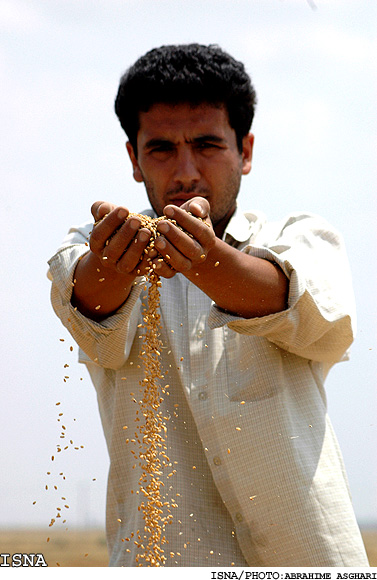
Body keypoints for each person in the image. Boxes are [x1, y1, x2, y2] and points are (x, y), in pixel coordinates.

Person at [48, 43, 369, 567]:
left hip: (309, 558)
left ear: (245, 150)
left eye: (207, 144)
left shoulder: (299, 239)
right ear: (133, 159)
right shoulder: (104, 248)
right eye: (161, 149)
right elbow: (88, 300)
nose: (186, 172)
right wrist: (112, 264)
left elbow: (300, 309)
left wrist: (202, 258)